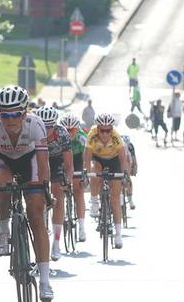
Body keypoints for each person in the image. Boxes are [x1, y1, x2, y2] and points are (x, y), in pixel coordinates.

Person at [0, 86, 53, 302]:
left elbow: (43, 162)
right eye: (4, 114)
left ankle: (45, 281)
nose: (10, 119)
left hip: (29, 162)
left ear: (25, 113)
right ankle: (3, 230)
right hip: (3, 161)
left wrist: (45, 188)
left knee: (36, 214)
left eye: (15, 114)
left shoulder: (36, 125)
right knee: (3, 187)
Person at [84, 113, 130, 249]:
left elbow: (123, 158)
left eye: (108, 130)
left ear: (112, 129)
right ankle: (93, 201)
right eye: (102, 130)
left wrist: (125, 174)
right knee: (94, 172)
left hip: (114, 160)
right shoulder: (92, 135)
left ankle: (118, 234)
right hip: (98, 159)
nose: (105, 134)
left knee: (115, 200)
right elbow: (87, 157)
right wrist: (85, 173)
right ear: (97, 129)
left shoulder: (116, 137)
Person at [34, 106, 73, 262]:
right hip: (37, 159)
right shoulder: (32, 131)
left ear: (55, 125)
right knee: (35, 195)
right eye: (44, 126)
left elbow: (69, 163)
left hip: (57, 161)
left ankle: (56, 243)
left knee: (58, 195)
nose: (47, 129)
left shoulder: (62, 133)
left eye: (50, 126)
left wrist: (68, 179)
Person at [59, 113, 88, 242]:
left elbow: (86, 157)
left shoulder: (82, 137)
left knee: (78, 190)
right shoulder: (58, 136)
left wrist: (84, 173)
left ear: (77, 129)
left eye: (72, 130)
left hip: (77, 159)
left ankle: (82, 227)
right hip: (62, 158)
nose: (69, 132)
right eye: (67, 130)